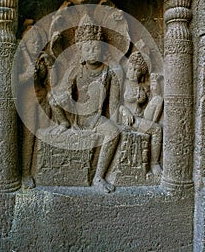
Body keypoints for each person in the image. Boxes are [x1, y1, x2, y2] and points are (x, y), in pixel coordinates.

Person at [47, 13, 121, 193]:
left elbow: (113, 104)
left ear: (103, 50)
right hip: (76, 114)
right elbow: (63, 90)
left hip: (95, 118)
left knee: (113, 132)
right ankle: (63, 123)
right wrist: (64, 97)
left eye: (96, 48)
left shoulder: (109, 72)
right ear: (80, 50)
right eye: (87, 49)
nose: (92, 52)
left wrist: (119, 118)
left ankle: (99, 176)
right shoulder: (76, 70)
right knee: (52, 98)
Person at [120, 54, 163, 176]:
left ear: (142, 73)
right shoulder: (123, 84)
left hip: (142, 117)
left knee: (158, 99)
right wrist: (125, 111)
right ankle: (154, 163)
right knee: (157, 130)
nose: (133, 73)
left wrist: (154, 84)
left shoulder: (142, 87)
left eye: (137, 70)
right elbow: (116, 105)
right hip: (130, 119)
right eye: (131, 68)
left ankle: (149, 126)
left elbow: (152, 101)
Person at [18, 20, 49, 189]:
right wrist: (26, 75)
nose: (36, 45)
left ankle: (42, 168)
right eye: (32, 42)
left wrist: (45, 68)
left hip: (43, 99)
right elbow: (12, 82)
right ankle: (25, 172)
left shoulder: (40, 58)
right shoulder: (21, 59)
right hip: (28, 102)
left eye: (38, 41)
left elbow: (48, 81)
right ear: (25, 43)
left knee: (45, 133)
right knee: (29, 137)